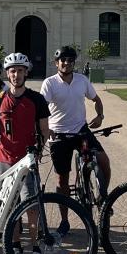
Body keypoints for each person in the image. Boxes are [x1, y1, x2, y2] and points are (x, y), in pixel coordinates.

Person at [0, 51, 51, 254]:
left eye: (20, 71)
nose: (16, 75)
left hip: (26, 160)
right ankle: (16, 248)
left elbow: (44, 130)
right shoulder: (0, 98)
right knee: (9, 206)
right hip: (4, 159)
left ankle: (36, 251)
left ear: (26, 73)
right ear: (7, 74)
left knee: (31, 206)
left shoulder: (36, 99)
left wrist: (38, 149)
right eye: (12, 71)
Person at [41, 44, 108, 232]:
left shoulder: (82, 80)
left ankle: (103, 197)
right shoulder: (49, 83)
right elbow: (41, 109)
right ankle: (64, 220)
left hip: (80, 130)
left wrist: (100, 116)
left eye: (70, 60)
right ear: (56, 63)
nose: (67, 63)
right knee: (62, 179)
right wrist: (46, 129)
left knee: (103, 161)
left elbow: (96, 99)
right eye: (63, 60)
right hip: (59, 133)